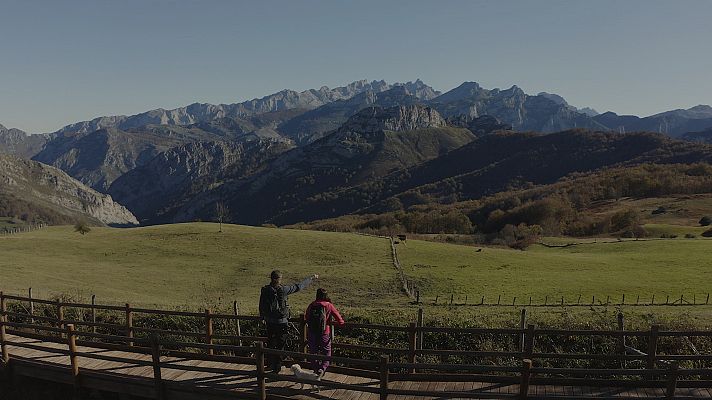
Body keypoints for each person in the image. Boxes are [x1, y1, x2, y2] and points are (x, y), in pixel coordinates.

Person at [259, 270, 317, 373]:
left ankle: (270, 364)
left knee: (271, 343)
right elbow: (299, 286)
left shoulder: (265, 290)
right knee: (281, 345)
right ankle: (277, 366)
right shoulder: (284, 289)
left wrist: (262, 317)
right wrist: (311, 278)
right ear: (277, 279)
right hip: (282, 322)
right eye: (280, 279)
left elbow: (261, 304)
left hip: (269, 322)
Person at [305, 288, 345, 377]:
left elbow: (306, 317)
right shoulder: (328, 305)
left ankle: (316, 369)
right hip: (324, 332)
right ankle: (322, 368)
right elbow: (339, 319)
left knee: (313, 351)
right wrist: (341, 323)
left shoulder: (312, 304)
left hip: (312, 332)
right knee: (327, 351)